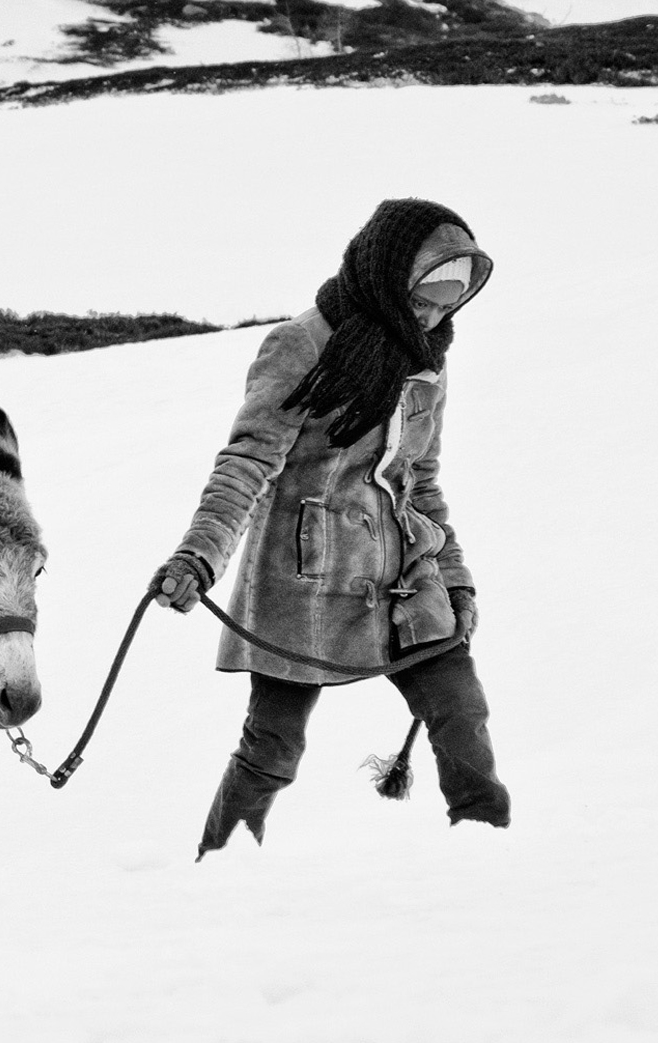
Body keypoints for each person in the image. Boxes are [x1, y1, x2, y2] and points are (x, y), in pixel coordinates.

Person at [153, 197, 511, 860]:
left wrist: (454, 579)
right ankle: (217, 870)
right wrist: (198, 557)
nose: (435, 314)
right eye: (425, 296)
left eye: (449, 302)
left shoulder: (426, 358)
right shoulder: (300, 345)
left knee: (462, 713)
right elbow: (246, 463)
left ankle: (486, 859)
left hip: (404, 578)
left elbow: (419, 480)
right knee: (273, 747)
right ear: (388, 275)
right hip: (305, 583)